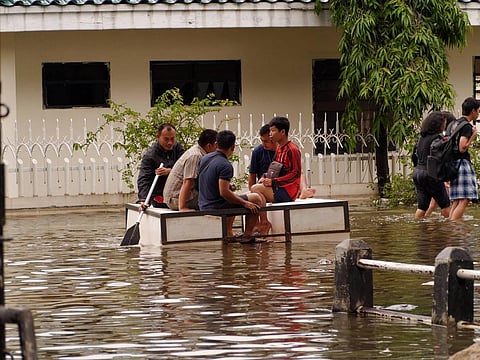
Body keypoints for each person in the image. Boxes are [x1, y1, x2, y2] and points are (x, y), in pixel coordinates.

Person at [198, 130, 262, 242]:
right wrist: (245, 203)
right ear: (232, 147)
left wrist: (230, 189)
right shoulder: (225, 165)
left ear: (216, 144)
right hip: (215, 205)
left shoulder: (205, 158)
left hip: (203, 203)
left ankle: (228, 233)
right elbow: (224, 193)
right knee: (256, 199)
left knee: (235, 196)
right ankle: (247, 236)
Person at [251, 116, 302, 232]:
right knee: (255, 193)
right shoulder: (279, 148)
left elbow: (296, 174)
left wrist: (273, 182)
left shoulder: (292, 149)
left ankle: (264, 222)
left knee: (255, 189)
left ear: (282, 132)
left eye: (273, 131)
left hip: (288, 191)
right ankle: (261, 223)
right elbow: (273, 168)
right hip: (278, 187)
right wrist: (265, 177)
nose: (270, 134)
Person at [163, 129, 217, 211]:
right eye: (216, 146)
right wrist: (183, 207)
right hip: (175, 199)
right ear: (209, 146)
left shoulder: (199, 152)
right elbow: (187, 182)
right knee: (220, 201)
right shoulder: (196, 156)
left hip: (177, 196)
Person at [412, 111, 451, 219]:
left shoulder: (421, 138)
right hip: (431, 174)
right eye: (444, 123)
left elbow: (414, 156)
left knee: (422, 207)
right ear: (439, 124)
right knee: (445, 204)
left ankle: (419, 229)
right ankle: (450, 230)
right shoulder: (437, 138)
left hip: (418, 173)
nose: (445, 125)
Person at [137, 123, 185, 209]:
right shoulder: (150, 155)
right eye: (166, 139)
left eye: (172, 138)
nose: (170, 142)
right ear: (158, 136)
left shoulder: (178, 148)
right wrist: (144, 200)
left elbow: (186, 167)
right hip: (159, 196)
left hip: (178, 193)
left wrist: (171, 171)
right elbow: (144, 179)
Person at [449, 97, 479, 221]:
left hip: (452, 164)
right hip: (462, 164)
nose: (478, 114)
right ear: (472, 111)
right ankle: (455, 227)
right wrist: (473, 136)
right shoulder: (466, 126)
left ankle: (451, 228)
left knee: (456, 199)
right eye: (478, 111)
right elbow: (462, 147)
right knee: (465, 199)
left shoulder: (453, 124)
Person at [424, 111, 456, 216]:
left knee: (433, 204)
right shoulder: (441, 138)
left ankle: (424, 222)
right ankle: (448, 226)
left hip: (431, 173)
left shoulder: (428, 136)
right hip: (438, 175)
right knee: (444, 204)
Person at [248, 124, 277, 189]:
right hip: (263, 186)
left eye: (266, 141)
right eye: (262, 140)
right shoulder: (257, 151)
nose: (263, 144)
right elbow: (252, 174)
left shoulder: (282, 150)